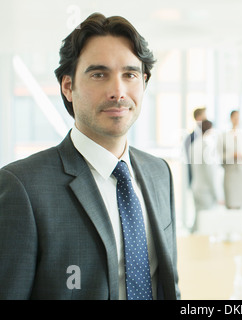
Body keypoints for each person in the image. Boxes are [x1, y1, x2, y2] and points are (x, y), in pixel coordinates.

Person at [0, 13, 180, 300]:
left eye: (130, 74)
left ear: (144, 82)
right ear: (68, 86)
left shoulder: (160, 173)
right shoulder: (23, 187)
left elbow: (167, 283)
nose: (118, 91)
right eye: (99, 74)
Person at [189, 120, 223, 233]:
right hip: (207, 191)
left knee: (198, 220)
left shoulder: (194, 145)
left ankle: (192, 242)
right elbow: (211, 174)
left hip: (196, 187)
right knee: (207, 225)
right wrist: (218, 195)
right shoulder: (208, 147)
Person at [220, 110, 242, 209]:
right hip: (230, 172)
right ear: (230, 119)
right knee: (231, 201)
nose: (237, 120)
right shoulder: (224, 136)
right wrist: (232, 155)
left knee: (241, 202)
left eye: (238, 118)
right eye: (235, 117)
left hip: (241, 172)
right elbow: (219, 157)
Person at [184, 107, 207, 187]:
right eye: (205, 117)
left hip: (208, 183)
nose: (206, 120)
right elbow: (190, 163)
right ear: (198, 118)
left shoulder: (208, 137)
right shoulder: (190, 139)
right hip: (197, 184)